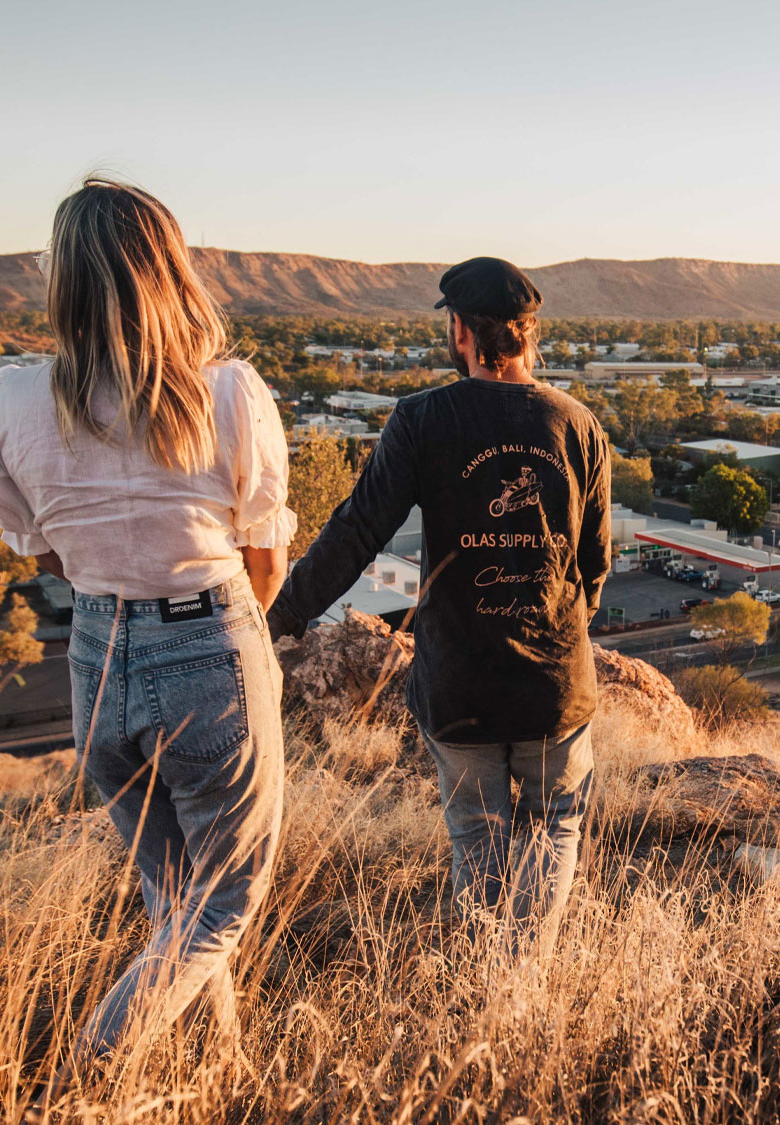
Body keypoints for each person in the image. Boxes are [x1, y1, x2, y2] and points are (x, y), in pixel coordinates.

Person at [0, 179, 294, 1065]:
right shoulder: (228, 394)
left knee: (177, 897)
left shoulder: (11, 399)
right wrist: (220, 638)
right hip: (206, 643)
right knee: (224, 900)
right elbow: (266, 559)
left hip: (94, 654)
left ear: (62, 282)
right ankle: (94, 1062)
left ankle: (218, 1070)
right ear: (169, 270)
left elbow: (36, 550)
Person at [265, 257, 611, 941]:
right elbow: (595, 569)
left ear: (460, 332)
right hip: (554, 686)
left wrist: (281, 613)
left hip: (460, 687)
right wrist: (553, 631)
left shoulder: (422, 420)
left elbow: (355, 531)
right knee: (555, 824)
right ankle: (524, 974)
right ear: (527, 334)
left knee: (478, 841)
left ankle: (488, 976)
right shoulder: (577, 426)